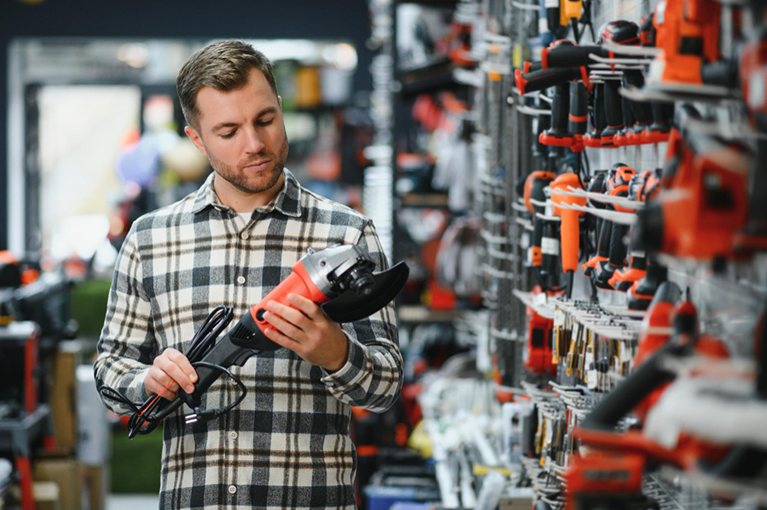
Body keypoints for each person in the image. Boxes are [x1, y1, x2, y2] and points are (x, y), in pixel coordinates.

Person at [94, 40, 402, 510]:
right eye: (228, 131)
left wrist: (335, 353)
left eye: (265, 120)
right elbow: (110, 370)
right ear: (197, 139)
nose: (254, 144)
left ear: (279, 107)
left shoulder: (346, 233)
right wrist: (148, 381)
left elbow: (387, 387)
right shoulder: (150, 239)